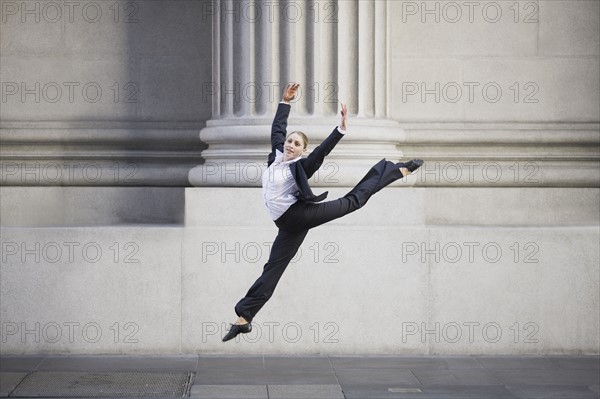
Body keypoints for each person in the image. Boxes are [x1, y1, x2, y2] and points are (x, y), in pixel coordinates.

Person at [222, 83, 423, 342]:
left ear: (302, 150)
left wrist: (339, 130)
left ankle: (396, 171)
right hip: (285, 225)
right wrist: (285, 103)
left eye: (297, 144)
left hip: (299, 214)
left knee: (352, 202)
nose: (291, 145)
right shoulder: (275, 157)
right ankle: (245, 318)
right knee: (273, 268)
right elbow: (277, 129)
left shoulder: (300, 166)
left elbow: (320, 154)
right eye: (290, 141)